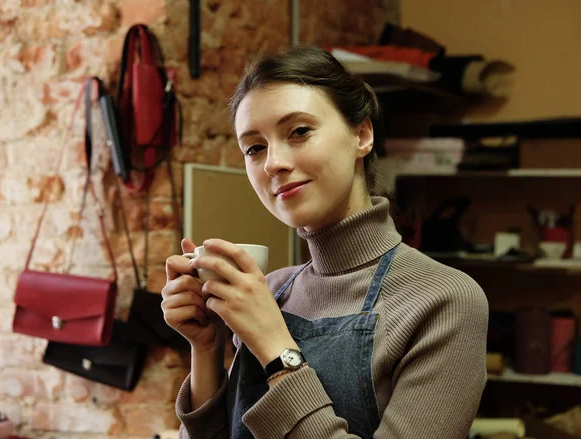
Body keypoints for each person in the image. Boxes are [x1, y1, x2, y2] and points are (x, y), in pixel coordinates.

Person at [162, 46, 488, 439]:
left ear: (362, 135)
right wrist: (208, 348)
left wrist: (276, 348)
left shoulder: (445, 300)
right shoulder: (276, 289)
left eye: (299, 131)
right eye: (255, 147)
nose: (273, 163)